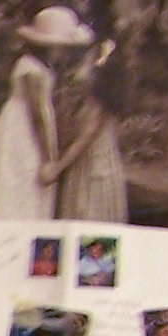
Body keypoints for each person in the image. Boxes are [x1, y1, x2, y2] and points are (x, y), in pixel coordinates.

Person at [0, 5, 94, 222]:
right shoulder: (31, 69)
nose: (64, 52)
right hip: (21, 131)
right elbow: (38, 114)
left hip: (26, 127)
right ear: (49, 45)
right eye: (61, 47)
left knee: (25, 187)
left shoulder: (40, 66)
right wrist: (48, 159)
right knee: (18, 184)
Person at [49, 37, 126, 223]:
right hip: (85, 167)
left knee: (92, 223)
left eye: (85, 62)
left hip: (96, 170)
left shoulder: (98, 105)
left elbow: (84, 138)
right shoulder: (87, 101)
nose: (78, 70)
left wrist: (57, 168)